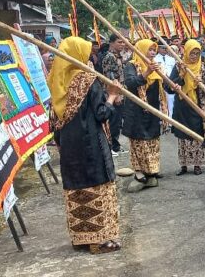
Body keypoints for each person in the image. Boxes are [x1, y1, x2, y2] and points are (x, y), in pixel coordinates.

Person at [49, 37, 121, 254]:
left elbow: (54, 116)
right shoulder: (87, 80)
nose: (90, 56)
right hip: (90, 144)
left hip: (70, 145)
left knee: (76, 186)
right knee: (96, 185)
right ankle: (99, 241)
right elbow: (101, 114)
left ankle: (80, 237)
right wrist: (112, 96)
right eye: (87, 52)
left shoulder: (56, 78)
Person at [123, 39, 168, 192]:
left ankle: (152, 171)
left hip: (153, 111)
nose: (152, 53)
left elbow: (164, 85)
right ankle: (139, 173)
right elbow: (130, 83)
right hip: (136, 111)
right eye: (149, 50)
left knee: (152, 141)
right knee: (139, 142)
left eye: (154, 50)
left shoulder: (157, 67)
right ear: (141, 50)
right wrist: (147, 72)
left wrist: (173, 85)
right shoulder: (131, 65)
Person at [169, 39, 205, 176]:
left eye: (197, 53)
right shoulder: (179, 66)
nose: (194, 56)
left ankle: (197, 165)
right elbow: (168, 87)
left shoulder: (202, 68)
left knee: (197, 136)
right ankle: (184, 165)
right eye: (192, 53)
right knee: (183, 136)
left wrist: (202, 83)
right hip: (182, 106)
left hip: (197, 107)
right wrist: (181, 76)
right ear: (186, 52)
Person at [102, 34, 127, 155]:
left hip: (120, 91)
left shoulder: (119, 56)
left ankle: (116, 145)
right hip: (113, 93)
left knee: (117, 122)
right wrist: (115, 95)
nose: (122, 44)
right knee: (113, 121)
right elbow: (110, 76)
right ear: (111, 43)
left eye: (123, 42)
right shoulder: (110, 57)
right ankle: (111, 146)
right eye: (119, 42)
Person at [154, 40, 177, 115]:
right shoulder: (154, 59)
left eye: (166, 48)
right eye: (163, 48)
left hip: (170, 83)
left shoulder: (172, 59)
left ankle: (171, 119)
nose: (165, 50)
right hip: (160, 83)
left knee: (171, 101)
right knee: (162, 103)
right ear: (158, 49)